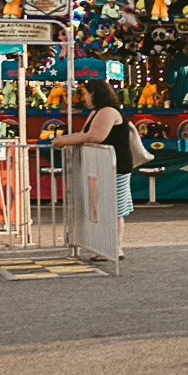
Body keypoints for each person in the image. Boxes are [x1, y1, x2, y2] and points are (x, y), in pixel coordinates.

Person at [47, 80, 135, 258]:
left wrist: (64, 141)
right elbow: (85, 134)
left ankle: (114, 247)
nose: (85, 97)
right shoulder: (98, 112)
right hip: (104, 166)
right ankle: (108, 246)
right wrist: (64, 139)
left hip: (114, 166)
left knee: (112, 207)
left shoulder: (108, 112)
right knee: (102, 206)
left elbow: (96, 136)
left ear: (95, 93)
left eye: (86, 93)